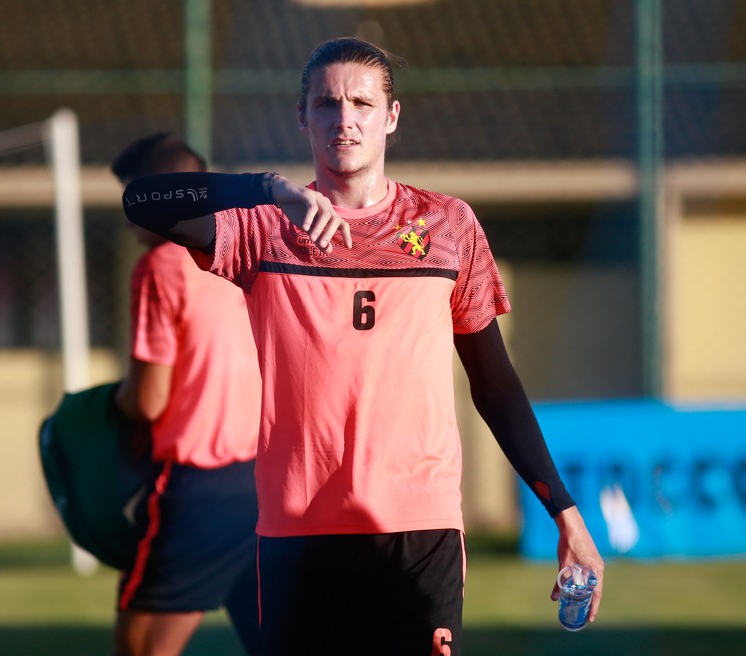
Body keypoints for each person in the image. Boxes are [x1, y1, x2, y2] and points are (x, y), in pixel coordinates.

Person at [122, 37, 604, 656]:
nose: (343, 119)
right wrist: (272, 189)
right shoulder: (264, 230)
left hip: (418, 532)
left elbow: (495, 384)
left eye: (361, 102)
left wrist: (564, 512)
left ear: (391, 116)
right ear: (302, 117)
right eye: (325, 104)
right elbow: (144, 202)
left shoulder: (448, 226)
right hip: (297, 534)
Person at [109, 133, 262, 656]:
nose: (129, 216)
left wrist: (110, 405)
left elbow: (148, 400)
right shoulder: (246, 253)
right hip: (268, 484)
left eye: (135, 197)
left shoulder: (159, 266)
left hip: (199, 491)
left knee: (143, 648)